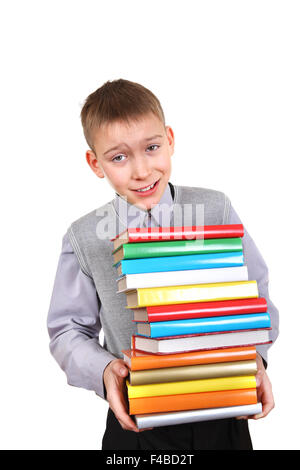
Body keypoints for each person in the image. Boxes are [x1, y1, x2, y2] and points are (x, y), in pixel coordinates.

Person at [47, 79, 279, 450]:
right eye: (118, 157)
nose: (141, 170)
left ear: (170, 140)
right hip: (137, 421)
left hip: (223, 411)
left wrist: (257, 359)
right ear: (95, 163)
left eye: (152, 148)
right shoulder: (86, 236)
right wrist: (105, 370)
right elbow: (67, 330)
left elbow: (255, 294)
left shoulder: (215, 209)